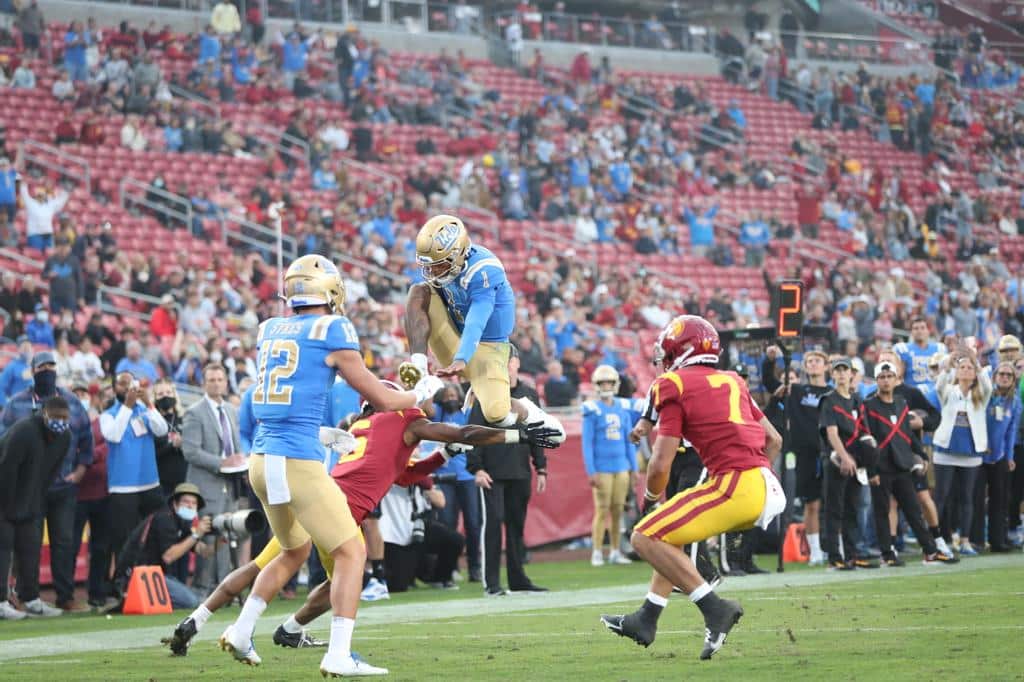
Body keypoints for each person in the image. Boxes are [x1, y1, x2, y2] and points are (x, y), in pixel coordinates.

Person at [165, 378, 557, 656]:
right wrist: (520, 435)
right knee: (345, 578)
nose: (425, 400)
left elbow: (402, 474)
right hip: (338, 510)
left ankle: (199, 622)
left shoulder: (366, 423)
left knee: (268, 564)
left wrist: (442, 457)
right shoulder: (408, 421)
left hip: (319, 498)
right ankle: (288, 632)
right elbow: (465, 434)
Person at [218, 253, 441, 676]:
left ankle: (242, 630)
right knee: (352, 552)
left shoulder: (270, 328)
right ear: (331, 291)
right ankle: (338, 654)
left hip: (261, 460)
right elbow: (381, 398)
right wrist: (419, 392)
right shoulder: (333, 327)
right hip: (296, 459)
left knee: (293, 549)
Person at [602, 315, 785, 660]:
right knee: (669, 537)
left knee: (645, 535)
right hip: (763, 484)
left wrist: (652, 499)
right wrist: (761, 477)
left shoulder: (672, 383)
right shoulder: (733, 380)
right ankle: (647, 618)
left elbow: (659, 462)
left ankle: (715, 608)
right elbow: (774, 439)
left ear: (679, 351)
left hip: (731, 483)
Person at [400, 214, 564, 442]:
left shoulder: (485, 270)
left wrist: (462, 358)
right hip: (456, 336)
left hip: (488, 346)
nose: (433, 272)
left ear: (458, 253)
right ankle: (418, 368)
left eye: (439, 266)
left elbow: (477, 319)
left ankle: (528, 410)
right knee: (418, 292)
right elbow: (424, 307)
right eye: (430, 266)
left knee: (498, 415)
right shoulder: (444, 270)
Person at [0, 351, 94, 611]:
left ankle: (63, 597)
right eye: (42, 366)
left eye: (52, 365)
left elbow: (86, 441)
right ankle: (20, 595)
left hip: (60, 485)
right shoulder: (16, 404)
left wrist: (79, 472)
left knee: (63, 542)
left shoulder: (72, 402)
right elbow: (3, 448)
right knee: (22, 542)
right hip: (21, 489)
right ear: (33, 370)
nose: (48, 370)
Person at [467, 347, 551, 595]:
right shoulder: (486, 393)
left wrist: (541, 467)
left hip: (519, 470)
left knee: (516, 527)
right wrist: (477, 468)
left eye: (508, 360)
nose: (504, 365)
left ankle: (518, 579)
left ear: (516, 362)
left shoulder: (529, 395)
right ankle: (491, 583)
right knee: (492, 526)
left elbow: (538, 431)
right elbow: (473, 432)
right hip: (492, 471)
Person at [862, 361, 957, 566]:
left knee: (913, 509)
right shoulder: (868, 406)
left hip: (902, 464)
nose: (886, 381)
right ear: (877, 380)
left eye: (889, 376)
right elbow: (866, 439)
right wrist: (871, 469)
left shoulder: (901, 403)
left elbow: (906, 434)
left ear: (897, 379)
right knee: (882, 510)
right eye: (882, 377)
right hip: (880, 466)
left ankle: (930, 551)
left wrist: (921, 454)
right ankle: (887, 553)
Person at [0, 396, 72, 619]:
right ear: (44, 414)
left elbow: (51, 473)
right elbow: (6, 468)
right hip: (4, 500)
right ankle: (1, 602)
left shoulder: (65, 437)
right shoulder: (24, 431)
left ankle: (30, 598)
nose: (60, 422)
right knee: (2, 551)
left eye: (64, 418)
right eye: (56, 417)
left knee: (30, 550)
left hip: (31, 501)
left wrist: (35, 501)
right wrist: (8, 505)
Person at [182, 363, 244, 594]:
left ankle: (224, 589)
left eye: (220, 379)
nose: (216, 383)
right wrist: (221, 463)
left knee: (227, 534)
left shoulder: (230, 409)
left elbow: (234, 445)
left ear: (226, 383)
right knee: (208, 537)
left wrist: (240, 460)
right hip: (205, 484)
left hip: (230, 483)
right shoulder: (194, 412)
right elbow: (190, 451)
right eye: (212, 380)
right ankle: (201, 589)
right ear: (203, 383)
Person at [101, 372, 169, 571]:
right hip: (123, 489)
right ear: (114, 389)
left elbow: (162, 430)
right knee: (125, 541)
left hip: (150, 484)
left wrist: (149, 404)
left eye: (130, 383)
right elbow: (113, 435)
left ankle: (154, 581)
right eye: (122, 384)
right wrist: (127, 407)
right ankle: (123, 587)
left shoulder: (143, 410)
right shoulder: (108, 415)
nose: (127, 387)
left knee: (154, 537)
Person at [817, 357, 877, 570]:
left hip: (855, 460)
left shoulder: (857, 399)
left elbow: (864, 431)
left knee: (853, 508)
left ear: (852, 374)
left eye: (845, 370)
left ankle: (853, 554)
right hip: (835, 459)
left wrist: (866, 458)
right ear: (832, 374)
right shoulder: (829, 400)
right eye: (838, 370)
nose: (842, 374)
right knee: (835, 509)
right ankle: (835, 556)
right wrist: (844, 457)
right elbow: (831, 433)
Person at [581, 365, 642, 567]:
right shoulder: (592, 410)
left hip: (622, 467)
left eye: (609, 382)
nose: (606, 386)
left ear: (615, 384)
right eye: (602, 383)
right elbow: (587, 444)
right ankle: (597, 551)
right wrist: (591, 470)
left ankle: (615, 550)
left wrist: (633, 468)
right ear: (597, 385)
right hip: (603, 468)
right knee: (602, 509)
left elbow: (628, 442)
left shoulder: (622, 409)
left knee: (617, 510)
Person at [933, 350, 991, 556]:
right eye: (962, 367)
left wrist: (974, 359)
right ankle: (938, 539)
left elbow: (988, 384)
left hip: (971, 453)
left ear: (975, 373)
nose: (966, 370)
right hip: (945, 451)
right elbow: (939, 383)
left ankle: (965, 540)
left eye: (970, 368)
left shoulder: (981, 395)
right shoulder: (949, 391)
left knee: (967, 498)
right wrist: (949, 361)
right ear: (956, 372)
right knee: (942, 496)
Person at [427, 381, 482, 583]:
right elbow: (427, 406)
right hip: (443, 474)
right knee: (447, 524)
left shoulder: (466, 413)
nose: (451, 399)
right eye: (447, 396)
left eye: (454, 395)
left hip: (467, 476)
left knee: (473, 524)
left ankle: (475, 566)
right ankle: (450, 567)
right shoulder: (437, 413)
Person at [142, 483, 214, 609]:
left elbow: (204, 551)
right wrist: (196, 534)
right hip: (145, 574)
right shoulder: (164, 519)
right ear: (175, 504)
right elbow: (168, 556)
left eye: (194, 503)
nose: (190, 506)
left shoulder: (184, 523)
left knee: (195, 599)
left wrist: (222, 540)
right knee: (191, 601)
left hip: (160, 576)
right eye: (186, 502)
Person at [974, 362, 1021, 551]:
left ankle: (997, 540)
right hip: (980, 454)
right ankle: (975, 540)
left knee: (1000, 499)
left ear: (1013, 380)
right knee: (976, 498)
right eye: (1001, 373)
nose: (1005, 377)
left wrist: (1009, 456)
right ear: (994, 376)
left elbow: (1012, 432)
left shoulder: (1015, 402)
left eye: (1009, 375)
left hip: (1000, 455)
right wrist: (981, 444)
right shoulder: (985, 395)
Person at [153, 378, 186, 496]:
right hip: (162, 481)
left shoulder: (185, 418)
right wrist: (171, 445)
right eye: (160, 394)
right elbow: (152, 452)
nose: (165, 396)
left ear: (174, 395)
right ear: (154, 398)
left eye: (168, 392)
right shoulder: (153, 422)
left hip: (184, 479)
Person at [894, 317, 942, 391]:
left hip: (934, 392)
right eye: (916, 328)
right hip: (913, 393)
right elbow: (899, 377)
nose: (919, 331)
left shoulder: (938, 349)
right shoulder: (904, 349)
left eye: (922, 328)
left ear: (928, 331)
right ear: (911, 332)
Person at [0, 335, 33, 407]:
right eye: (24, 347)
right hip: (17, 407)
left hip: (33, 405)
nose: (27, 349)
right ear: (18, 349)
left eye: (29, 347)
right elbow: (1, 388)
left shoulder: (34, 366)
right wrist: (4, 407)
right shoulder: (11, 367)